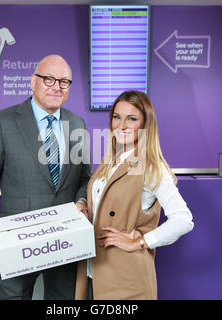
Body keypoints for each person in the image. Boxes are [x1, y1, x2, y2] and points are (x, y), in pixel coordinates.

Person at [0, 54, 91, 300]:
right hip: (18, 240)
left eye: (64, 81)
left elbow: (84, 178)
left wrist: (82, 201)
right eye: (49, 79)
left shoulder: (77, 124)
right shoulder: (3, 121)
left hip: (65, 238)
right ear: (32, 81)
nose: (57, 86)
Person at [75, 90, 194, 300]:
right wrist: (84, 204)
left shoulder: (150, 166)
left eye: (131, 119)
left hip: (126, 278)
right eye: (116, 117)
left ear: (146, 124)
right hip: (94, 271)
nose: (121, 126)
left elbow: (183, 220)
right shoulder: (111, 160)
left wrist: (139, 242)